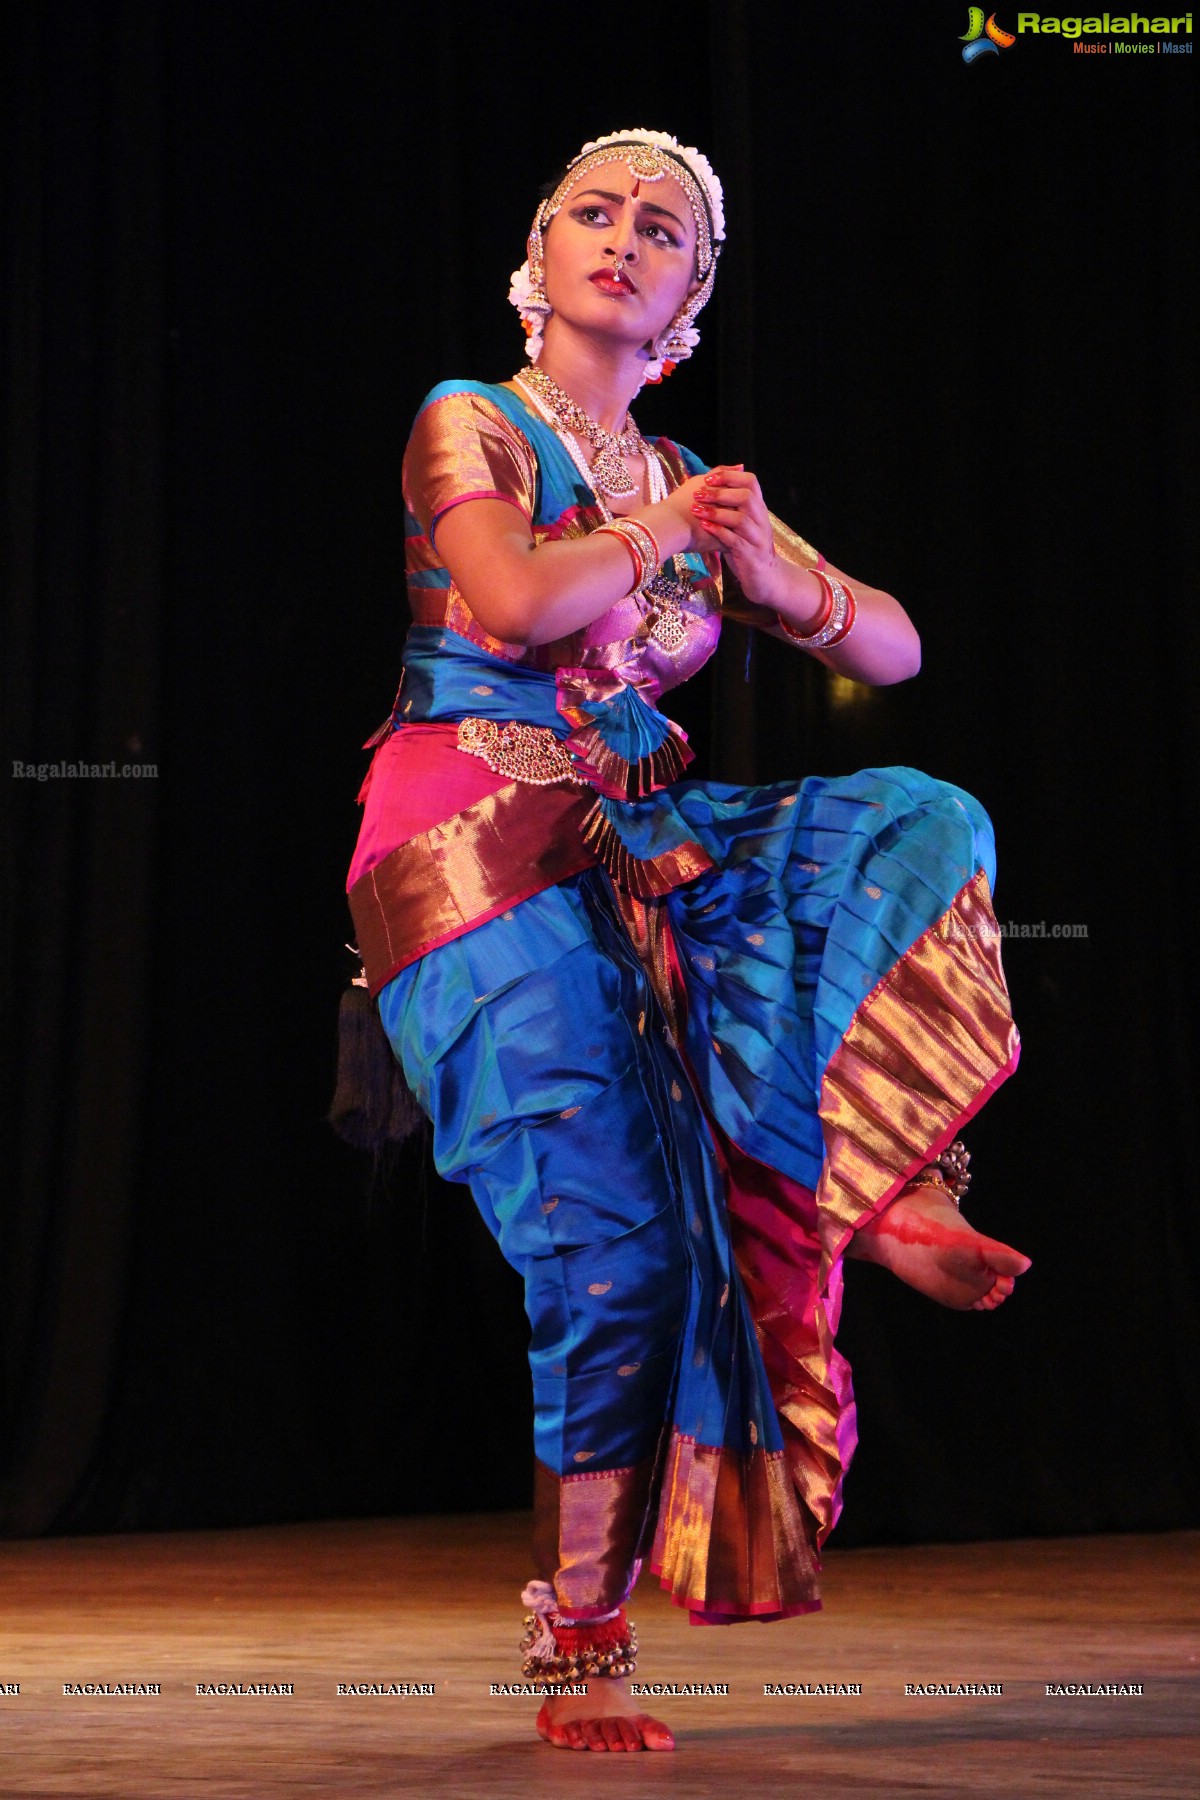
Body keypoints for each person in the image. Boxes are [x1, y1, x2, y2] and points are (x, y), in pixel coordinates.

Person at [342, 129, 1030, 1754]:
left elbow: (898, 648)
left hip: (640, 846)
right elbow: (510, 608)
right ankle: (582, 1643)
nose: (624, 239)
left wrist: (767, 559)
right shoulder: (476, 420)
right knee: (621, 1258)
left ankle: (845, 1174)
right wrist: (667, 539)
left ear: (692, 299)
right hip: (469, 843)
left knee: (923, 820)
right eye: (595, 210)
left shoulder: (685, 483)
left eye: (664, 231)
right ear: (540, 248)